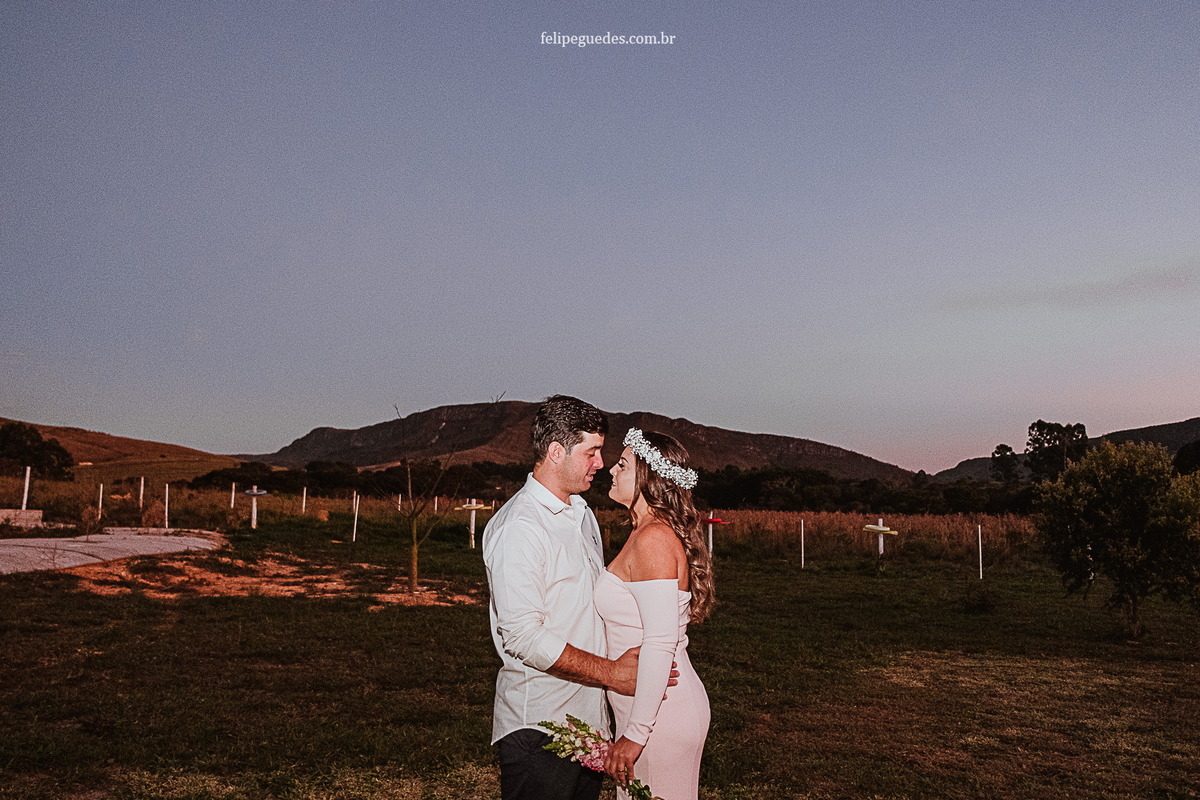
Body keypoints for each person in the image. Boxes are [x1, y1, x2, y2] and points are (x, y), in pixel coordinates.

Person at [483, 395, 643, 800]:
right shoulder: (521, 526)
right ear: (556, 452)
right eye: (591, 452)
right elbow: (522, 635)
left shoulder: (582, 513)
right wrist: (612, 673)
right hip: (541, 727)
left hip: (589, 725)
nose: (601, 463)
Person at [599, 428, 714, 800]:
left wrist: (635, 735)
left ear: (647, 478)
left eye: (622, 465)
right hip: (648, 710)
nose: (611, 470)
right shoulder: (643, 532)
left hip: (660, 717)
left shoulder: (653, 540)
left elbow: (661, 642)